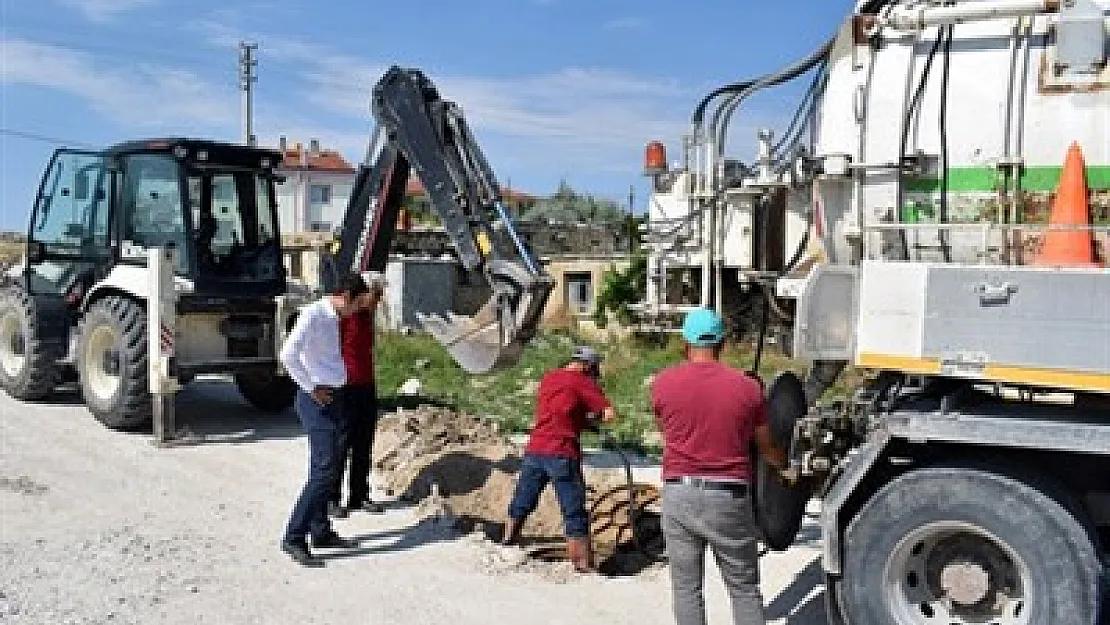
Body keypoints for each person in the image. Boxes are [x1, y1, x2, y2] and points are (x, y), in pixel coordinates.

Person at [650, 308, 787, 625]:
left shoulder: (662, 384)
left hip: (678, 494)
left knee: (686, 590)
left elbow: (667, 434)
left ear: (685, 343)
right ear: (722, 344)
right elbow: (766, 448)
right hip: (727, 499)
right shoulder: (748, 390)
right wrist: (785, 466)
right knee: (743, 590)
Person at [278, 272, 373, 567]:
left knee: (329, 468)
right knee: (323, 472)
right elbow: (288, 355)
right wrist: (310, 387)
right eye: (356, 304)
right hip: (317, 401)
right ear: (345, 297)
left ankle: (320, 531)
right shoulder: (313, 316)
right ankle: (294, 536)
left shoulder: (335, 317)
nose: (357, 310)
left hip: (336, 397)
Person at [502, 345, 616, 573]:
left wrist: (580, 421)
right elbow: (608, 415)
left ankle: (507, 539)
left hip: (535, 450)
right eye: (593, 369)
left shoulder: (549, 378)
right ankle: (583, 565)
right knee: (573, 509)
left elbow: (561, 410)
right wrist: (595, 419)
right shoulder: (582, 382)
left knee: (523, 499)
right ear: (587, 365)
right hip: (562, 451)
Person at [329, 272, 387, 518]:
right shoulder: (343, 315)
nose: (380, 300)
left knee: (364, 441)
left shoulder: (366, 316)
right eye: (377, 294)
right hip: (345, 385)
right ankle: (331, 497)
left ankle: (358, 494)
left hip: (366, 384)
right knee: (341, 444)